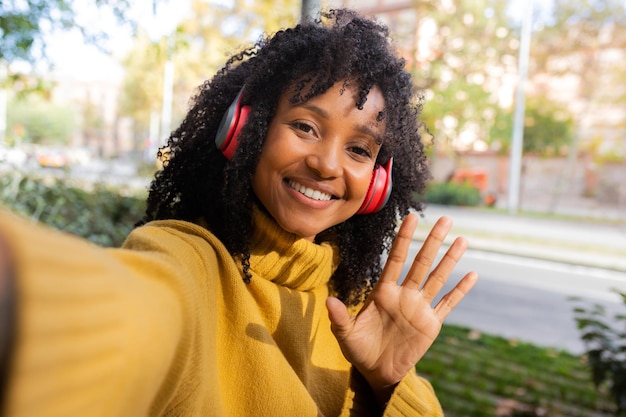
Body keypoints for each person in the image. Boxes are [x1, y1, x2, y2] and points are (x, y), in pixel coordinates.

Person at [0, 8, 478, 417]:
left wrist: (387, 384)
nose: (327, 163)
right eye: (306, 126)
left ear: (377, 184)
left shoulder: (358, 303)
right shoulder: (188, 260)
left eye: (358, 149)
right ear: (243, 130)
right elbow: (121, 314)